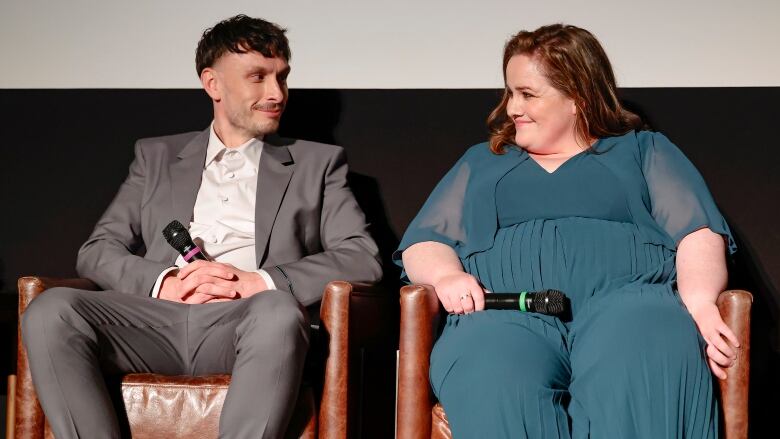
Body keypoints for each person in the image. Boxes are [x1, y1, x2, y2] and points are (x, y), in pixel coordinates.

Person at [21, 14, 382, 439]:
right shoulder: (155, 156)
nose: (277, 93)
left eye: (282, 78)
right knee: (51, 310)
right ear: (212, 84)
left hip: (249, 323)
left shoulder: (317, 163)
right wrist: (165, 281)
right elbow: (99, 248)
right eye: (257, 77)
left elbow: (362, 257)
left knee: (278, 310)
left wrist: (257, 282)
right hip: (154, 321)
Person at [395, 24, 738, 438]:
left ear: (577, 98)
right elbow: (424, 241)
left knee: (645, 341)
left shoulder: (642, 151)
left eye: (527, 94)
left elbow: (697, 233)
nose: (511, 108)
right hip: (507, 315)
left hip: (629, 306)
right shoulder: (484, 162)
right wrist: (446, 275)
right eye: (509, 92)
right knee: (491, 361)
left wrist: (701, 303)